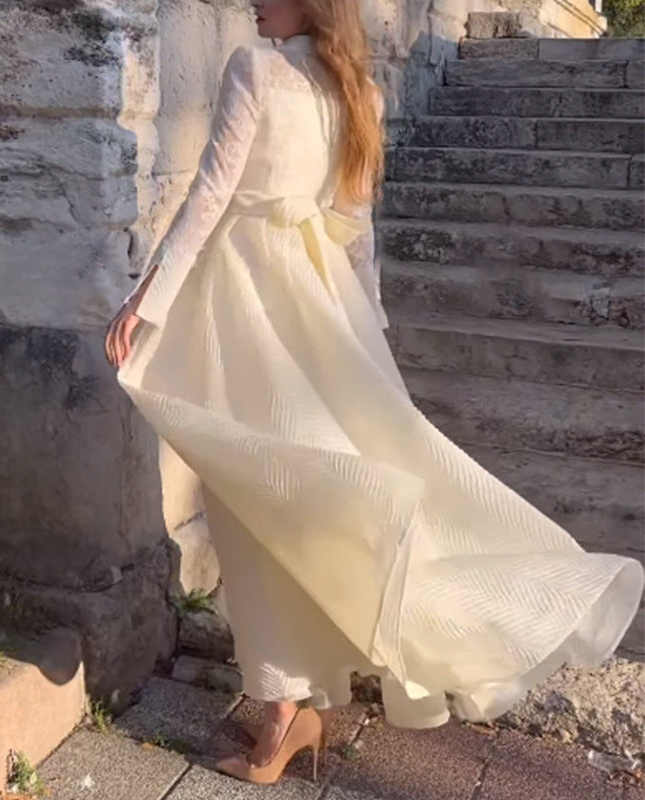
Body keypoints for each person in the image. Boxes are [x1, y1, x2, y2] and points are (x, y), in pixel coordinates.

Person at [104, 0, 645, 787]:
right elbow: (355, 230)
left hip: (248, 305)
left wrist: (144, 301)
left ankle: (290, 709)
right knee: (291, 493)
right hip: (319, 305)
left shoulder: (254, 70)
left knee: (260, 498)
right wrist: (369, 334)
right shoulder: (355, 89)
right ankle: (289, 709)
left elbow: (209, 199)